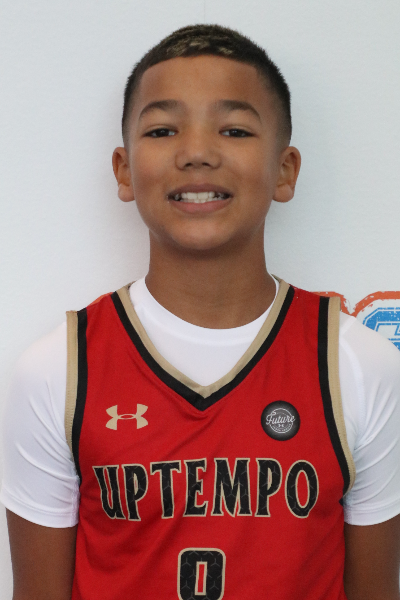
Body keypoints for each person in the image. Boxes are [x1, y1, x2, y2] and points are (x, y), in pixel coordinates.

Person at [2, 24, 400, 600]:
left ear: (285, 170)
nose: (196, 153)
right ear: (124, 170)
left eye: (234, 130)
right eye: (162, 130)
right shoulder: (58, 372)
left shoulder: (358, 365)